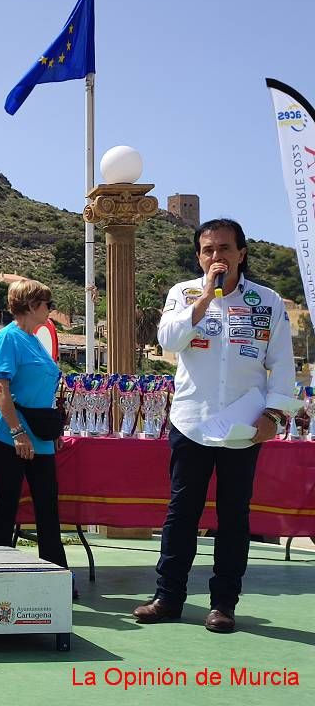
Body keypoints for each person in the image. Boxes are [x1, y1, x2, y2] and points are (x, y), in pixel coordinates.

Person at [133, 219, 296, 633]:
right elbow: (169, 340)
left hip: (243, 429)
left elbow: (281, 365)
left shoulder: (268, 301)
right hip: (191, 422)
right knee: (181, 514)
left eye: (224, 248)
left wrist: (273, 416)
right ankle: (168, 597)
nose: (216, 257)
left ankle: (223, 604)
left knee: (233, 517)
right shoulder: (183, 294)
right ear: (199, 256)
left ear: (242, 252)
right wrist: (205, 297)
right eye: (207, 250)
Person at [0, 280, 71, 575]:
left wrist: (53, 431)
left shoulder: (34, 339)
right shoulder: (8, 338)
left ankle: (56, 573)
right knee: (7, 500)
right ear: (32, 306)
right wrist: (17, 432)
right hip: (11, 433)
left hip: (40, 433)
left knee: (48, 503)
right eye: (47, 303)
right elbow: (0, 387)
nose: (50, 308)